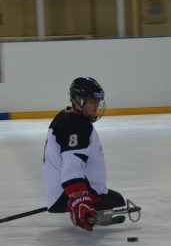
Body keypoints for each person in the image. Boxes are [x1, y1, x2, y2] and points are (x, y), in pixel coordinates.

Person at [43, 77, 126, 231]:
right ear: (80, 101)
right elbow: (71, 169)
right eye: (92, 101)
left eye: (98, 101)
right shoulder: (77, 126)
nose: (97, 106)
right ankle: (80, 202)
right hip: (67, 194)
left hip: (58, 192)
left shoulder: (65, 116)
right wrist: (80, 200)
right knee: (117, 201)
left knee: (114, 199)